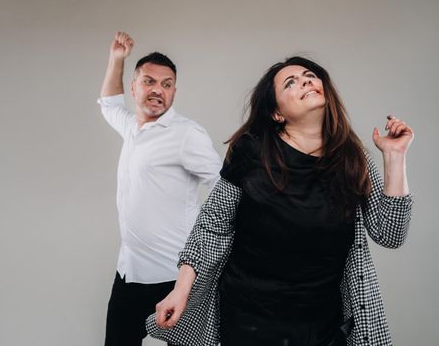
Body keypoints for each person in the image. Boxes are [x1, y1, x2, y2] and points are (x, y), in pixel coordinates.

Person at [147, 56, 414, 346]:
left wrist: (394, 157)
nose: (305, 81)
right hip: (249, 320)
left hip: (321, 324)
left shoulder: (353, 159)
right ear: (276, 112)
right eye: (291, 83)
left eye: (309, 75)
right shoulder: (250, 151)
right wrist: (181, 289)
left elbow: (390, 234)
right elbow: (212, 225)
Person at [98, 31, 222, 346]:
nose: (158, 90)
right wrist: (117, 59)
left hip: (175, 277)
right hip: (128, 272)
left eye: (167, 85)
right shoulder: (132, 128)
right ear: (134, 87)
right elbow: (110, 105)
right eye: (150, 82)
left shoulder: (186, 134)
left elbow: (224, 188)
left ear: (174, 92)